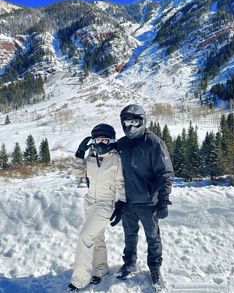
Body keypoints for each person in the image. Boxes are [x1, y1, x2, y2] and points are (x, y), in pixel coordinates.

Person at [111, 104, 174, 290]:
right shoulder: (121, 145)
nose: (130, 126)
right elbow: (105, 159)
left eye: (134, 121)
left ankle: (155, 267)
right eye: (126, 122)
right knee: (129, 235)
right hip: (127, 202)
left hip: (149, 203)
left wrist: (163, 200)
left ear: (142, 121)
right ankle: (129, 262)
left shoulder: (154, 143)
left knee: (152, 237)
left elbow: (165, 173)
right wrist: (88, 150)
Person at [67, 123, 126, 292]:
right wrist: (79, 154)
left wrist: (121, 203)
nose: (101, 143)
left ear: (111, 141)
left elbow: (121, 183)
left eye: (105, 140)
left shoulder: (116, 159)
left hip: (105, 204)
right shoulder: (91, 156)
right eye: (98, 139)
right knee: (97, 237)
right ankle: (101, 269)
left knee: (85, 237)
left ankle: (79, 280)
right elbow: (78, 175)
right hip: (89, 201)